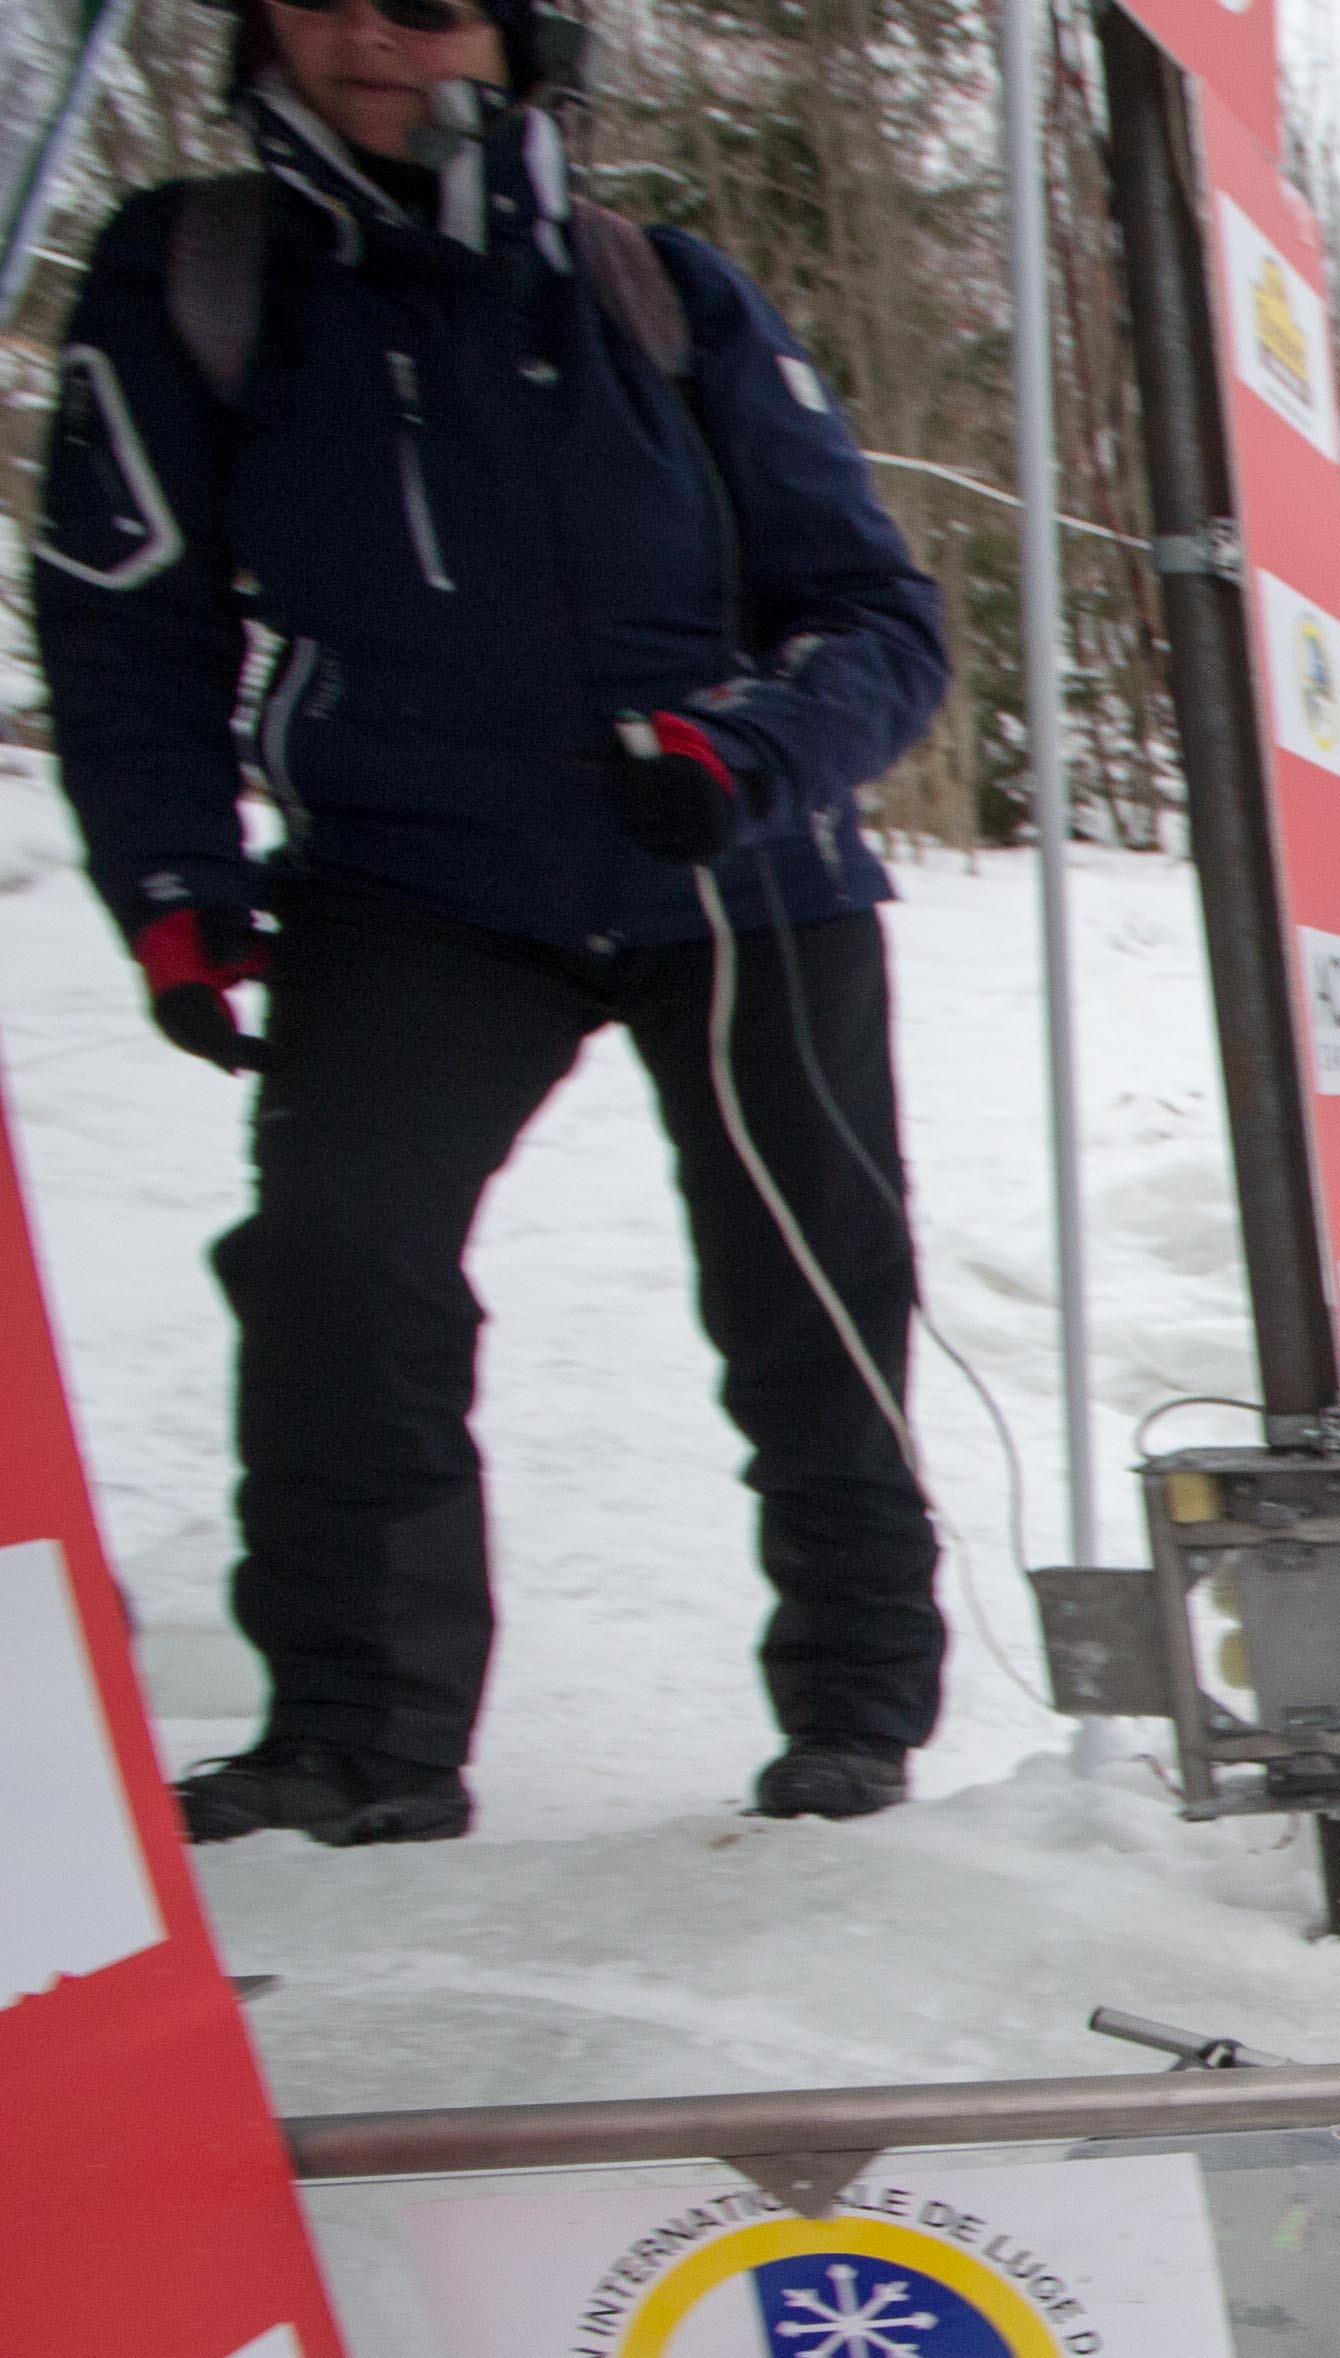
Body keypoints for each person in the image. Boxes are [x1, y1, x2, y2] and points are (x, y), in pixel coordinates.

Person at [29, 0, 954, 1847]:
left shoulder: (661, 288)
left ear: (518, 40)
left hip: (732, 874)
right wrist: (175, 887)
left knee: (813, 1286)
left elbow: (882, 622)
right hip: (412, 880)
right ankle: (360, 1730)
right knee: (335, 1261)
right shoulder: (197, 277)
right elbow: (124, 626)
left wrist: (743, 750)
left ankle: (855, 1711)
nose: (374, 37)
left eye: (431, 2)